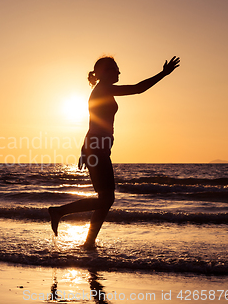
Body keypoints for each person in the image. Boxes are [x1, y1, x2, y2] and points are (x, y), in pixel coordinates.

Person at [49, 56, 180, 249]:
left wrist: (84, 149)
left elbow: (93, 122)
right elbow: (137, 88)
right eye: (115, 69)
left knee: (105, 199)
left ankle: (88, 242)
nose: (119, 73)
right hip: (98, 149)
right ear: (102, 73)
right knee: (107, 198)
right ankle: (59, 212)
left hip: (96, 147)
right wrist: (163, 73)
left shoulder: (101, 91)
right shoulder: (103, 89)